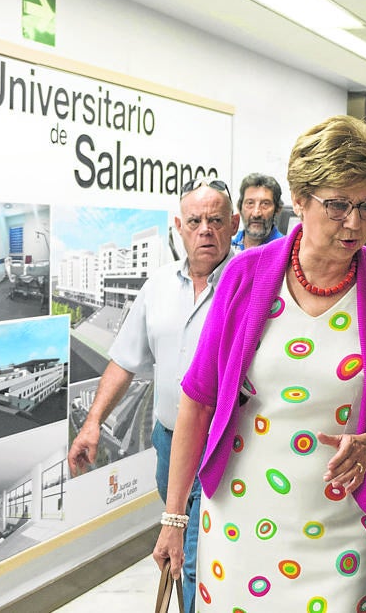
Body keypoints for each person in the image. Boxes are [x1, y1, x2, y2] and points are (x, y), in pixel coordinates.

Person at [153, 115, 366, 611]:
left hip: (342, 530)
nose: (355, 222)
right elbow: (197, 400)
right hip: (239, 522)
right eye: (338, 205)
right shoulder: (245, 275)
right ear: (300, 201)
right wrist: (175, 519)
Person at [68, 177, 239, 612]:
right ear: (179, 228)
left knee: (197, 557)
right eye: (196, 221)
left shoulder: (249, 286)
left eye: (216, 221)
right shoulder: (158, 286)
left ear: (233, 224)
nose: (206, 230)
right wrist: (92, 423)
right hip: (168, 442)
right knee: (179, 545)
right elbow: (124, 360)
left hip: (226, 448)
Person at [231, 172, 285, 250]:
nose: (256, 213)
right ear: (239, 208)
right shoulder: (228, 248)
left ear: (277, 209)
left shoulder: (285, 251)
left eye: (265, 204)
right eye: (250, 203)